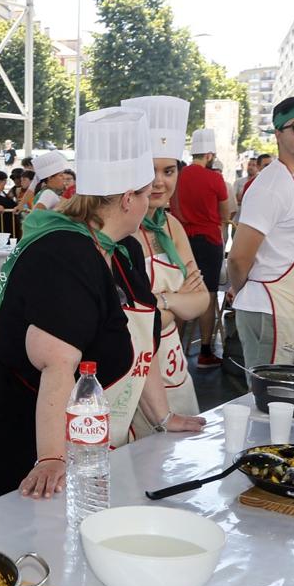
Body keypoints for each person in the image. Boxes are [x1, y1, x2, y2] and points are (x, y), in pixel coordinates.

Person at [0, 107, 203, 499]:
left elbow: (144, 345)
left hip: (80, 427)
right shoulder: (63, 254)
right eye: (145, 193)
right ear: (128, 199)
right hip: (23, 428)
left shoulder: (122, 251)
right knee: (43, 532)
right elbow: (57, 365)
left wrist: (162, 417)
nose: (151, 201)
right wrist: (51, 458)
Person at [122, 95, 209, 424]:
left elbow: (200, 299)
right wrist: (176, 301)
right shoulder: (117, 230)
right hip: (131, 371)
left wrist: (159, 302)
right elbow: (127, 321)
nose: (160, 181)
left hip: (174, 366)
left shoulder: (171, 226)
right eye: (150, 170)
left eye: (169, 170)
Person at [228, 97, 294, 367]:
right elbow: (238, 257)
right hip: (268, 307)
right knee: (272, 397)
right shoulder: (270, 186)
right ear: (278, 133)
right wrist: (245, 290)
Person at [175, 127, 230, 368]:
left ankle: (173, 349)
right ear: (209, 154)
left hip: (182, 239)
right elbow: (226, 213)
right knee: (206, 295)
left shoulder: (178, 176)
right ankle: (205, 352)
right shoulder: (215, 178)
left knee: (180, 293)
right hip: (209, 240)